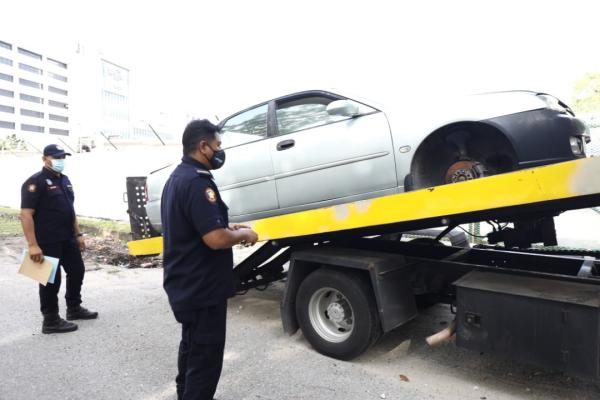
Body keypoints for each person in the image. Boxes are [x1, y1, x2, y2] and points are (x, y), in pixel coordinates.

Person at [161, 119, 258, 400]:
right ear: (203, 146)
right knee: (205, 360)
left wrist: (229, 227)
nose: (220, 151)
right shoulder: (197, 183)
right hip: (202, 288)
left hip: (186, 284)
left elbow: (197, 226)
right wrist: (244, 234)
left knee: (192, 348)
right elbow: (215, 239)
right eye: (217, 145)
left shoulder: (178, 177)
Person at [20, 144, 98, 334]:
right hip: (46, 240)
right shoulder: (35, 182)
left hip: (68, 237)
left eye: (63, 157)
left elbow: (70, 210)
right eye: (56, 157)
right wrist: (32, 245)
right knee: (49, 280)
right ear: (44, 159)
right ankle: (50, 320)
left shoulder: (64, 180)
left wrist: (78, 234)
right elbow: (26, 215)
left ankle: (74, 308)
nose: (60, 160)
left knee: (77, 270)